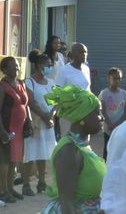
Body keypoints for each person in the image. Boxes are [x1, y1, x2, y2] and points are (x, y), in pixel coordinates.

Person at [41, 85, 106, 213]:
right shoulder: (69, 150)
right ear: (83, 117)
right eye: (97, 112)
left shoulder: (83, 146)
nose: (102, 118)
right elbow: (67, 202)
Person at [0, 57, 29, 203]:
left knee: (15, 158)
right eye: (14, 66)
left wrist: (29, 122)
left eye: (18, 66)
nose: (17, 69)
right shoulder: (1, 87)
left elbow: (26, 105)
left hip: (19, 128)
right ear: (5, 69)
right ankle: (3, 190)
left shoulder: (21, 83)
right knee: (5, 160)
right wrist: (1, 130)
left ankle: (10, 187)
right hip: (7, 127)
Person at [23, 50, 57, 196]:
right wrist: (44, 116)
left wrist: (51, 115)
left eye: (50, 65)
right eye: (46, 65)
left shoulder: (51, 82)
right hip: (35, 123)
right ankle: (26, 185)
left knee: (44, 154)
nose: (49, 68)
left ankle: (41, 182)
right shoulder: (29, 82)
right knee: (31, 154)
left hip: (48, 123)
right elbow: (30, 102)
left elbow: (56, 101)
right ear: (37, 65)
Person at [98, 68, 126, 161]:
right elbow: (102, 111)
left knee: (118, 150)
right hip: (108, 128)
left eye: (119, 78)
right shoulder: (104, 93)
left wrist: (117, 124)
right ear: (109, 78)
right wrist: (109, 123)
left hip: (119, 128)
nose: (117, 81)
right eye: (114, 78)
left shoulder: (123, 94)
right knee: (107, 150)